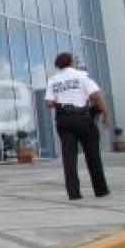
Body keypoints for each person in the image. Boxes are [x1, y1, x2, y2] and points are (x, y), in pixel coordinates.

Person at [45, 52, 111, 200]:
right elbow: (96, 96)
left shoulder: (53, 80)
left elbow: (49, 103)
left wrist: (63, 104)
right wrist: (106, 115)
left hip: (63, 120)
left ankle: (74, 193)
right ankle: (100, 190)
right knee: (92, 155)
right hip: (82, 118)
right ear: (71, 62)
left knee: (69, 158)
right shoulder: (81, 76)